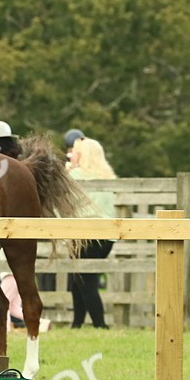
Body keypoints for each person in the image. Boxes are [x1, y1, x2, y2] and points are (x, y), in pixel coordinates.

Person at [66, 136, 117, 329]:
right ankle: (77, 323)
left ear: (82, 155)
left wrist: (68, 169)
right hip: (107, 236)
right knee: (79, 279)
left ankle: (100, 324)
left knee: (86, 282)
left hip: (85, 234)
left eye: (74, 151)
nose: (71, 154)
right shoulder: (108, 176)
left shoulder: (75, 175)